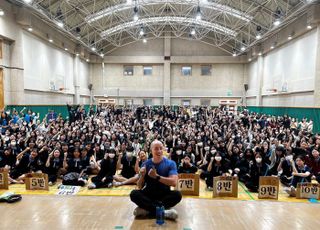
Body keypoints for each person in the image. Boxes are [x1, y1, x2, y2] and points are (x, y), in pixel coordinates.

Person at [130, 140, 182, 220]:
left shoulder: (171, 163)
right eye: (156, 149)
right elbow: (139, 186)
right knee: (133, 194)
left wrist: (157, 176)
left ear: (164, 149)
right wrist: (142, 176)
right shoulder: (145, 164)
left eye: (161, 148)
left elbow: (174, 182)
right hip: (149, 194)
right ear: (151, 150)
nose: (159, 151)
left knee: (177, 195)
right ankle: (163, 212)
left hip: (164, 194)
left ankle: (148, 210)